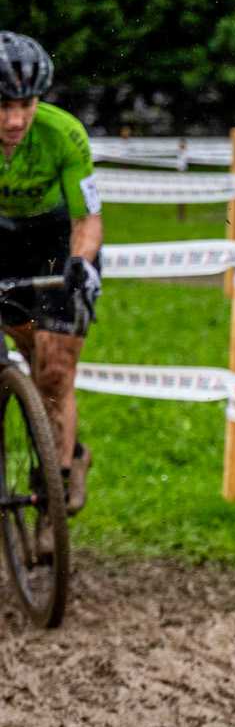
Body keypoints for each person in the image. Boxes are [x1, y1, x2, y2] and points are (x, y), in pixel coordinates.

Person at [0, 34, 100, 532]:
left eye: (26, 105)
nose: (16, 120)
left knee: (55, 370)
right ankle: (60, 440)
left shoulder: (65, 134)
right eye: (3, 107)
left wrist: (80, 264)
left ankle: (54, 485)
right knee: (30, 359)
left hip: (59, 241)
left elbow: (89, 220)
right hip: (4, 239)